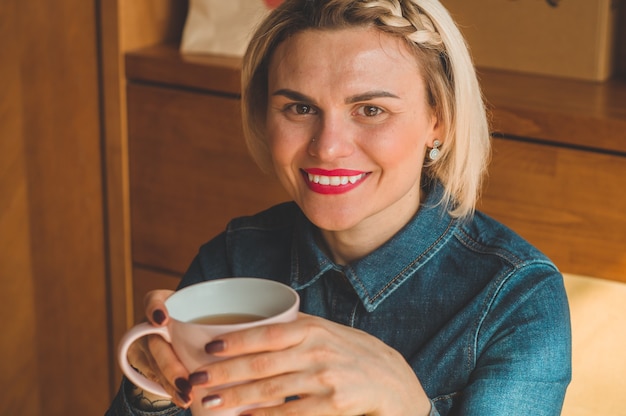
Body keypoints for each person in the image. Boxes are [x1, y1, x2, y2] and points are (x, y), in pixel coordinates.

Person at [107, 0, 571, 415]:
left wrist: (409, 408)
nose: (328, 148)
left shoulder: (519, 297)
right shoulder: (232, 259)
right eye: (300, 109)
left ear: (440, 121)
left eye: (370, 110)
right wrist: (154, 391)